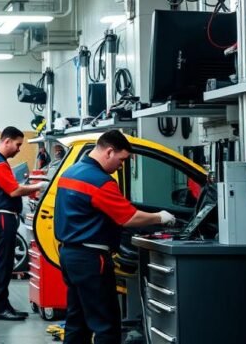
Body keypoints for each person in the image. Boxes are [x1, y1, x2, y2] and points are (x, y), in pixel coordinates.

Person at [54, 130, 177, 344]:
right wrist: (160, 217)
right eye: (121, 160)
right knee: (106, 325)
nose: (121, 166)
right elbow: (129, 217)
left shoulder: (70, 173)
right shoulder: (100, 181)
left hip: (69, 255)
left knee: (77, 321)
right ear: (109, 152)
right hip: (92, 259)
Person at [0, 126, 46, 321]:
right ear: (6, 141)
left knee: (5, 264)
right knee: (2, 265)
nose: (18, 149)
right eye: (17, 144)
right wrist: (39, 186)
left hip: (0, 217)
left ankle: (3, 305)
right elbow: (14, 190)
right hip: (1, 217)